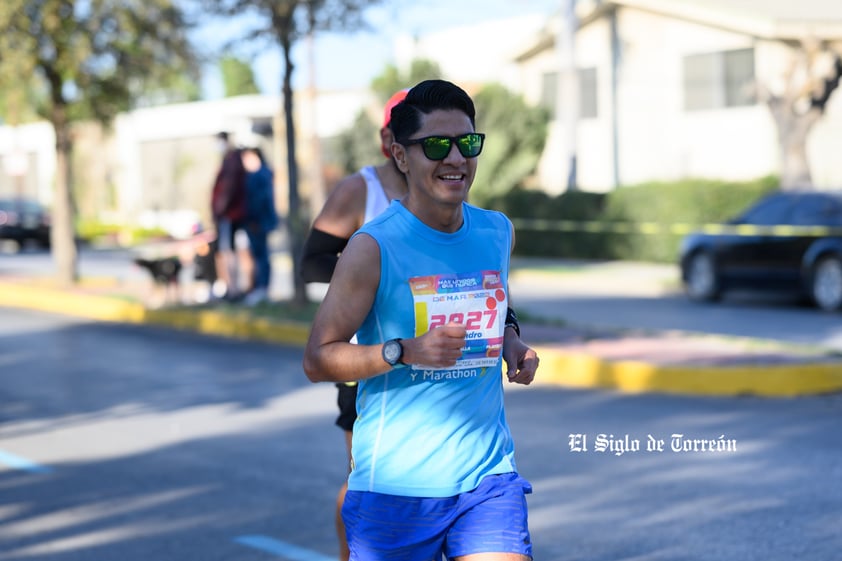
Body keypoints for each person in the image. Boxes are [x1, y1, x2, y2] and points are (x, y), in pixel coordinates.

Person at [302, 80, 540, 561]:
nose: (455, 158)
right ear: (402, 156)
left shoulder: (497, 230)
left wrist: (510, 339)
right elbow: (318, 358)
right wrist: (404, 351)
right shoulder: (373, 247)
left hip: (486, 476)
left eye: (467, 143)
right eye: (436, 145)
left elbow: (495, 297)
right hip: (396, 487)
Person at [300, 89, 409, 561]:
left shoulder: (446, 186)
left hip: (434, 359)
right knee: (365, 476)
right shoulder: (360, 190)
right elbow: (313, 263)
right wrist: (370, 275)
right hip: (367, 356)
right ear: (389, 139)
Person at [210, 131, 249, 300]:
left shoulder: (232, 161)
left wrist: (220, 209)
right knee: (229, 251)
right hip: (230, 214)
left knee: (229, 251)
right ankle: (232, 287)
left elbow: (229, 189)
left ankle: (233, 289)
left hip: (230, 215)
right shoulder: (229, 160)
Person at [241, 146, 279, 306]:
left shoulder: (259, 175)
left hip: (258, 221)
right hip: (259, 220)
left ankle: (262, 288)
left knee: (261, 256)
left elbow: (260, 200)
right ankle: (261, 288)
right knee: (260, 255)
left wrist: (255, 219)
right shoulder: (263, 174)